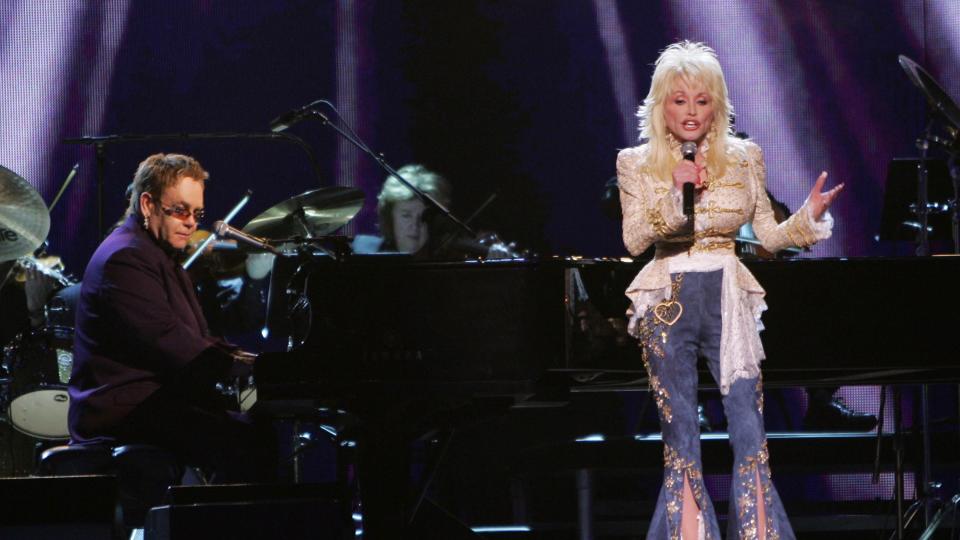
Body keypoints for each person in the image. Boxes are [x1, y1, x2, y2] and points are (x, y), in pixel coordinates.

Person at [617, 41, 843, 539]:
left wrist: (807, 219)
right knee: (681, 437)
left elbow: (765, 239)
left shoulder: (745, 157)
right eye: (679, 100)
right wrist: (678, 195)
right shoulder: (636, 162)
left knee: (749, 431)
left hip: (728, 293)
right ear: (661, 104)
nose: (691, 111)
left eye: (702, 100)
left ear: (717, 103)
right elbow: (634, 240)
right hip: (667, 297)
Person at [67, 153, 276, 483]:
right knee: (246, 438)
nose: (192, 222)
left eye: (197, 213)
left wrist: (251, 362)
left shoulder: (157, 255)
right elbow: (169, 341)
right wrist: (244, 370)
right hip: (124, 412)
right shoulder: (125, 257)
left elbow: (198, 338)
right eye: (180, 210)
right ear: (148, 204)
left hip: (154, 403)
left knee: (258, 423)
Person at [352, 163, 453, 256]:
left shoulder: (448, 259)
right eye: (406, 215)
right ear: (390, 218)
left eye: (424, 217)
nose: (415, 225)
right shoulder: (363, 252)